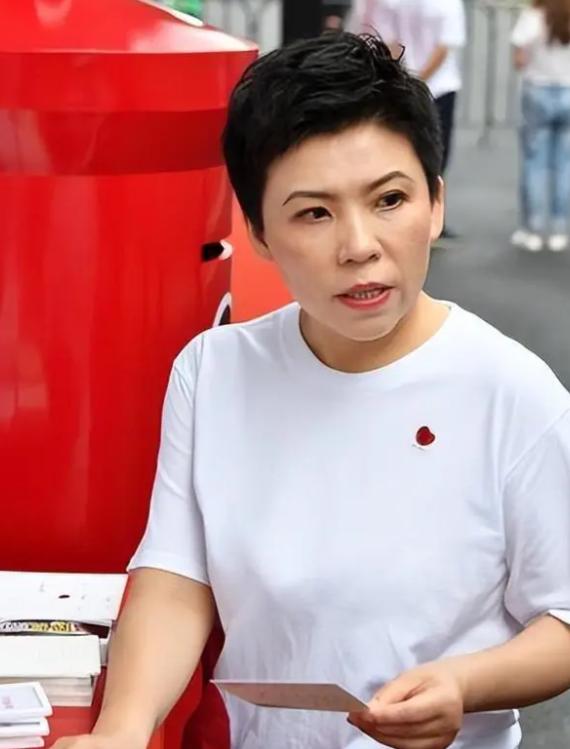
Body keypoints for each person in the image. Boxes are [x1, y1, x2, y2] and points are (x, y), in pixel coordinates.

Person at [54, 32, 570, 749]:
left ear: (436, 203)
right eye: (314, 213)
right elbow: (176, 578)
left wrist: (466, 683)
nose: (359, 245)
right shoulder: (213, 370)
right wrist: (122, 730)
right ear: (260, 233)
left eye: (389, 199)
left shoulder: (513, 392)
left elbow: (563, 618)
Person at [348, 0, 466, 238]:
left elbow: (389, 42)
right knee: (434, 155)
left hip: (407, 83)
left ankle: (406, 211)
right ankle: (425, 214)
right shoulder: (449, 4)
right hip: (439, 86)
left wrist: (400, 77)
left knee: (407, 153)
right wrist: (418, 80)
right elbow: (444, 47)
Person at [510, 0, 570, 253]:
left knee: (535, 163)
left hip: (538, 90)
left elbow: (520, 59)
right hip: (568, 90)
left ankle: (532, 230)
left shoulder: (533, 16)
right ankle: (559, 229)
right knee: (564, 164)